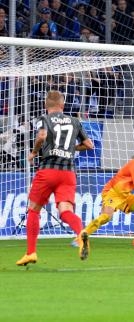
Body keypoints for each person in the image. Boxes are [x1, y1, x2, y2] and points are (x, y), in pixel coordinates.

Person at [16, 91, 94, 266]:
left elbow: (42, 136)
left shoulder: (43, 119)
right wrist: (72, 149)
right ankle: (81, 233)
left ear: (46, 105)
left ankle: (31, 253)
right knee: (66, 211)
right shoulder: (74, 121)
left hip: (48, 170)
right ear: (63, 105)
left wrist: (34, 152)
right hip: (68, 173)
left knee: (34, 210)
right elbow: (89, 144)